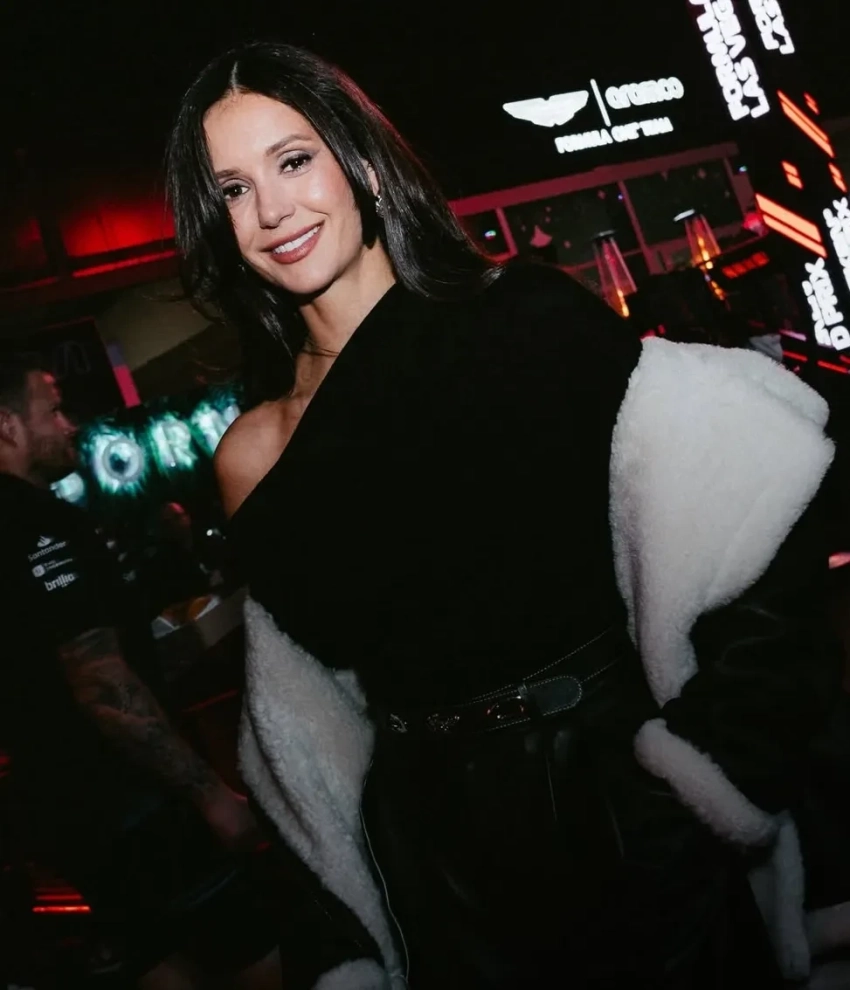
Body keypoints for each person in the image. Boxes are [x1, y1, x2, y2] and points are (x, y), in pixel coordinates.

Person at [166, 42, 845, 989]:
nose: (272, 209)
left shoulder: (522, 321)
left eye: (294, 160)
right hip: (439, 863)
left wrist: (698, 787)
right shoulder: (252, 453)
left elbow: (762, 514)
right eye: (233, 189)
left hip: (620, 812)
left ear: (362, 163)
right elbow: (310, 726)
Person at [0, 354, 281, 989]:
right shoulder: (38, 521)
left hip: (62, 813)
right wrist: (210, 795)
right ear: (7, 424)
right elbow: (99, 682)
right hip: (131, 802)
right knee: (256, 957)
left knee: (161, 963)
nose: (70, 424)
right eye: (53, 410)